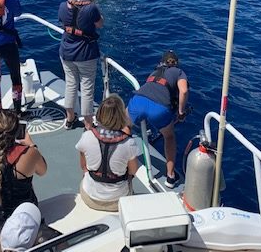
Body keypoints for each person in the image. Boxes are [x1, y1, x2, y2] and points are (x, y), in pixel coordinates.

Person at [127, 50, 189, 188]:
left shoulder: (155, 72)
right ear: (176, 63)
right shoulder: (179, 72)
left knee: (123, 127)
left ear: (162, 62)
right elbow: (183, 91)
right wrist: (180, 111)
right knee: (169, 137)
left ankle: (117, 158)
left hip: (138, 100)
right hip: (159, 108)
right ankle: (170, 176)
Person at [75, 94, 139, 211]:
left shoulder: (87, 136)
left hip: (90, 197)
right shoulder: (129, 143)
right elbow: (133, 171)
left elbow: (83, 167)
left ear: (99, 114)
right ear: (122, 117)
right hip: (118, 200)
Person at [58, 0, 104, 130]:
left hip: (66, 51)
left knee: (70, 85)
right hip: (86, 54)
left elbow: (63, 21)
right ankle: (88, 124)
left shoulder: (63, 6)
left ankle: (70, 119)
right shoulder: (91, 8)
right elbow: (100, 24)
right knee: (87, 88)